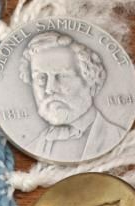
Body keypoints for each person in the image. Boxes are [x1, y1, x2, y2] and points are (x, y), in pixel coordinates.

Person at [18, 31, 127, 159]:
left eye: (62, 76)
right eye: (41, 78)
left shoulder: (117, 137)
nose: (49, 89)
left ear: (91, 81)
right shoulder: (31, 146)